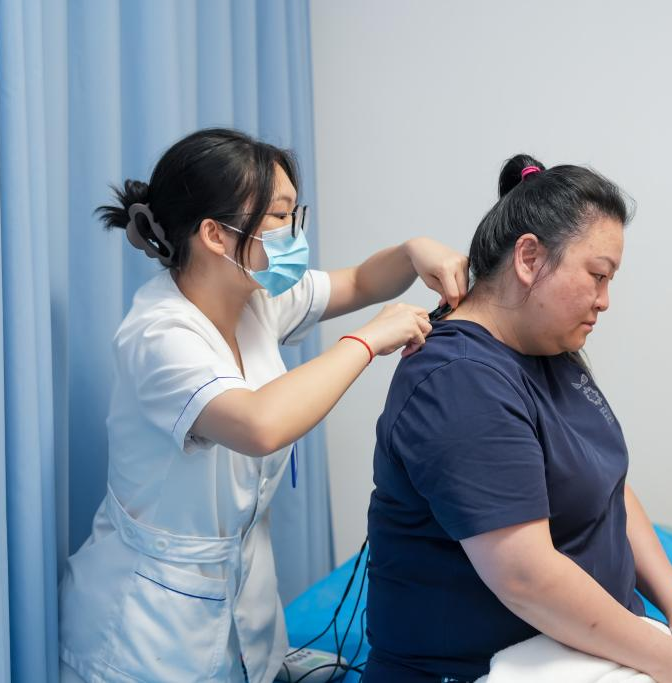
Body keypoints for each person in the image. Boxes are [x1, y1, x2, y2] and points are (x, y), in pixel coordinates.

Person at [58, 128, 469, 683]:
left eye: (295, 214)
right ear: (215, 234)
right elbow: (259, 424)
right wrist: (367, 341)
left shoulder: (251, 297)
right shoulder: (159, 335)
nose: (294, 231)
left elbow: (359, 282)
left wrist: (412, 251)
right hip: (144, 632)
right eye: (279, 216)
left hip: (240, 606)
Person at [363, 155, 672, 683]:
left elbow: (607, 487)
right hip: (489, 669)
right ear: (529, 258)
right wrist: (665, 657)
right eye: (597, 276)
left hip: (588, 650)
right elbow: (525, 577)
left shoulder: (548, 350)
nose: (605, 301)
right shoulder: (459, 381)